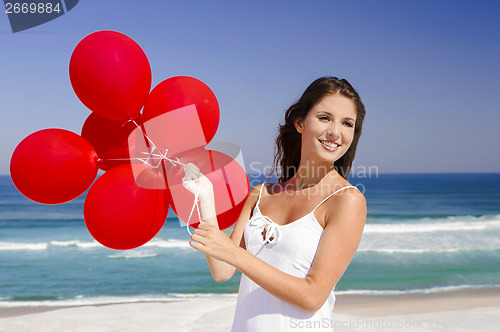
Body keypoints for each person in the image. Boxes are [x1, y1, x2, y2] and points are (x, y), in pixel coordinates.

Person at [182, 76, 367, 331]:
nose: (335, 132)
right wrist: (205, 198)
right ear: (300, 123)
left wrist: (234, 253)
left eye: (347, 123)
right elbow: (222, 271)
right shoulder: (261, 195)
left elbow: (312, 297)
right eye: (325, 118)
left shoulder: (347, 201)